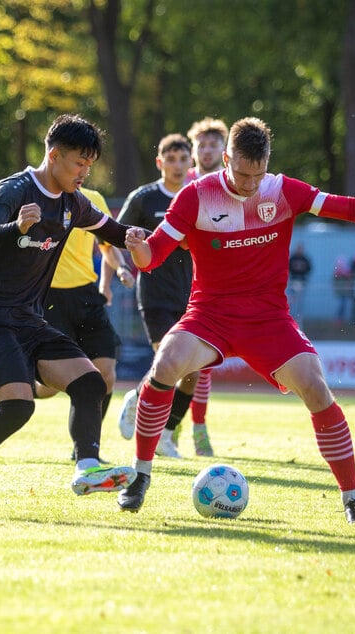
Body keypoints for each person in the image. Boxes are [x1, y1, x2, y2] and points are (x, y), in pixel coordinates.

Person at [117, 117, 355, 523]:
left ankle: (353, 500)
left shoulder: (284, 190)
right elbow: (153, 256)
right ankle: (140, 476)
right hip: (210, 314)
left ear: (268, 163)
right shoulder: (194, 195)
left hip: (268, 319)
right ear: (225, 159)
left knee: (315, 386)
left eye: (258, 174)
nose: (250, 184)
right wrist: (137, 250)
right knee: (166, 363)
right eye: (241, 173)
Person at [0, 114, 138, 516]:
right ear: (54, 156)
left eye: (89, 165)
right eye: (79, 163)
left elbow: (112, 230)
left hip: (29, 318)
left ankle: (87, 468)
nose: (84, 172)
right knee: (19, 407)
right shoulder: (16, 189)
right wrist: (14, 227)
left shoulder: (74, 203)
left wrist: (152, 238)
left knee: (91, 383)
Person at [116, 133, 213, 458]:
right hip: (155, 293)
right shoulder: (144, 198)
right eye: (170, 159)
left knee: (193, 372)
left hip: (192, 296)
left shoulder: (198, 196)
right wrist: (123, 264)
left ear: (191, 163)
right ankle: (141, 403)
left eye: (182, 159)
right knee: (168, 363)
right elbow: (115, 234)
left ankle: (167, 435)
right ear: (160, 163)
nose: (176, 165)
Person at [35, 186, 134, 446]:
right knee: (49, 387)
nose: (81, 168)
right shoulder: (38, 196)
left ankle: (87, 447)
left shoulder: (95, 198)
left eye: (85, 162)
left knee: (106, 374)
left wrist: (121, 269)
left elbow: (106, 246)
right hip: (50, 297)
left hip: (87, 297)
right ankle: (18, 391)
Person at [184, 117, 229, 449]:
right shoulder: (181, 183)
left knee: (204, 362)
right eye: (202, 144)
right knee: (170, 357)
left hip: (212, 282)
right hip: (177, 279)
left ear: (224, 150)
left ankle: (198, 427)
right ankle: (170, 424)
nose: (208, 149)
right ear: (193, 148)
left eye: (214, 144)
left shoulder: (231, 185)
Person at [287, 243, 312, 324]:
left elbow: (309, 268)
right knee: (292, 300)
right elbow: (288, 267)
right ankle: (290, 316)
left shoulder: (305, 258)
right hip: (293, 281)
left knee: (299, 301)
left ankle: (298, 317)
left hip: (302, 281)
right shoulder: (293, 258)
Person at [332, 255, 352, 326]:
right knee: (340, 305)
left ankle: (341, 319)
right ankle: (338, 319)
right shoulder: (337, 273)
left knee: (343, 305)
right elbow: (334, 282)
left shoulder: (347, 272)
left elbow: (349, 281)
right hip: (339, 292)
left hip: (344, 292)